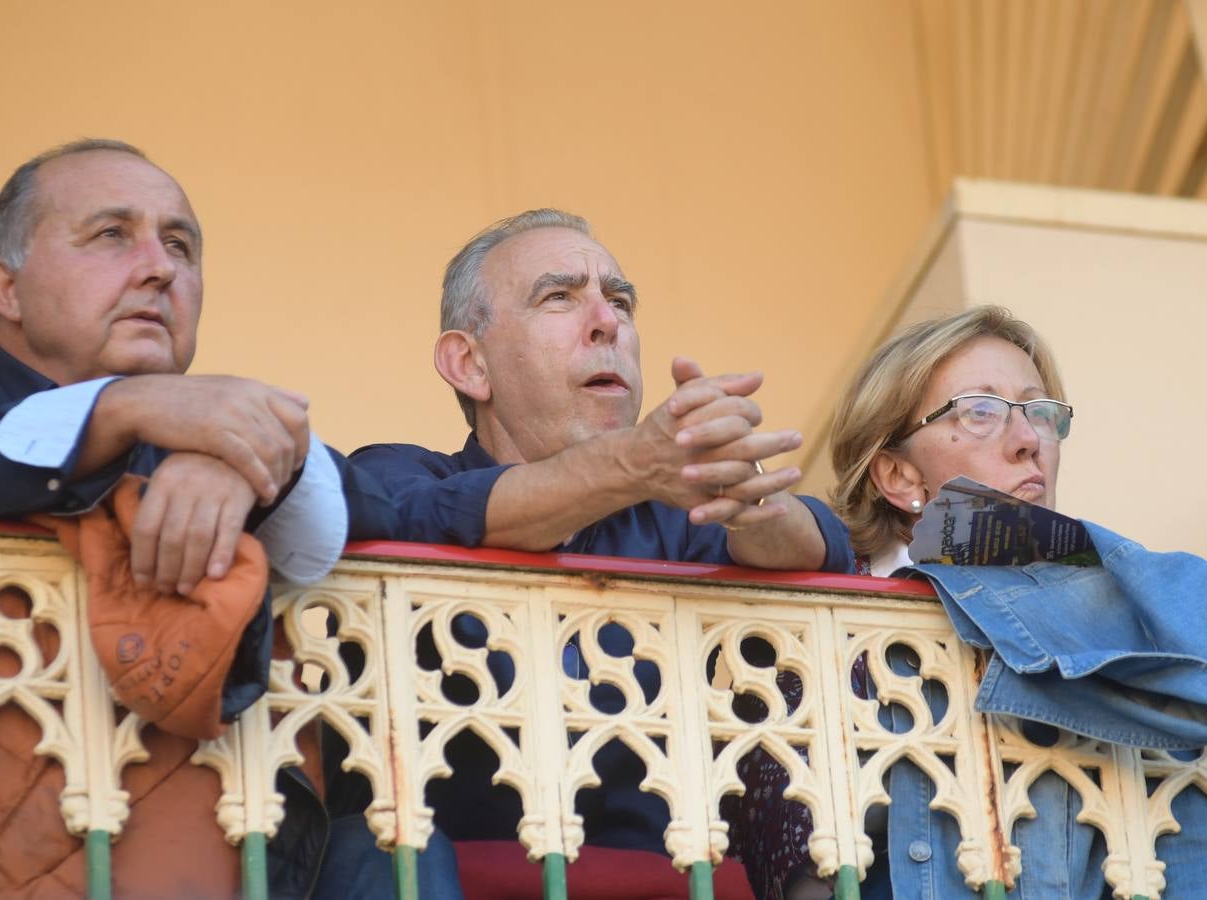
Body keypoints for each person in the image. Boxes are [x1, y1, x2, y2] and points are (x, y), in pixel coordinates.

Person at [0, 139, 455, 898]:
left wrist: (234, 463)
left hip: (222, 849)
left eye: (179, 245)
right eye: (111, 234)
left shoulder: (231, 427)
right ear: (6, 288)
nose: (159, 267)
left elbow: (399, 512)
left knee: (400, 845)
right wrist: (120, 409)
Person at [348, 208, 854, 894]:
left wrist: (739, 493)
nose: (606, 321)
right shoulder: (395, 473)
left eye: (618, 300)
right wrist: (634, 464)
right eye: (559, 297)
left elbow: (825, 553)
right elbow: (418, 519)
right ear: (469, 363)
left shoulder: (677, 509)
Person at [732, 306, 1207, 899]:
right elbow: (805, 865)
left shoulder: (1131, 597)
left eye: (1041, 413)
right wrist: (745, 502)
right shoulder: (835, 622)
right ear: (898, 476)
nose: (1029, 442)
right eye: (981, 413)